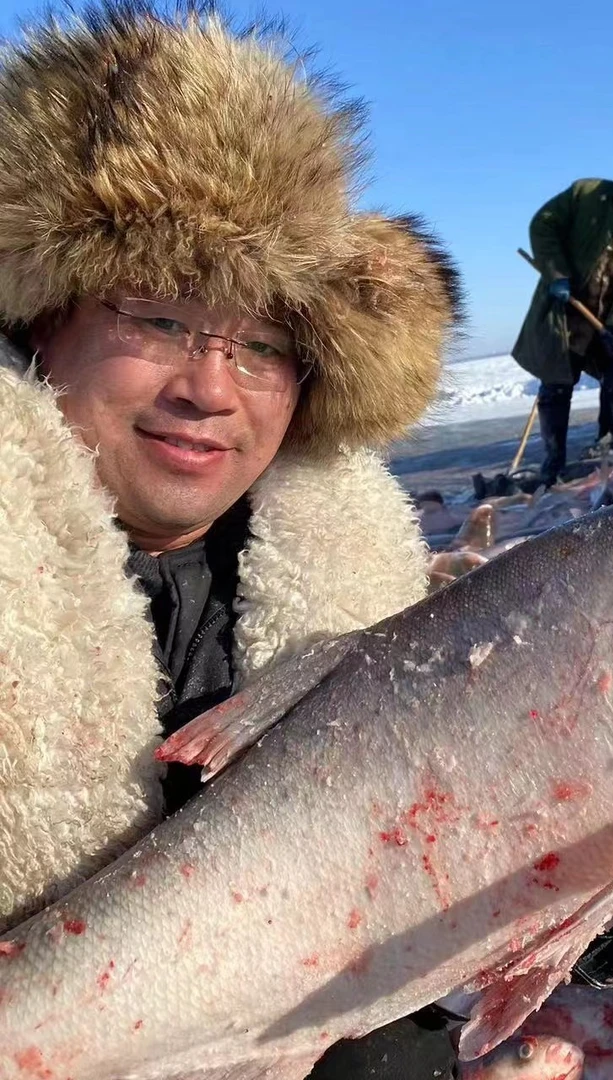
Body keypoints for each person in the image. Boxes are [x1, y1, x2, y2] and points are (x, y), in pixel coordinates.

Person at [0, 3, 468, 1075]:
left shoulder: (364, 592)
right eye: (158, 320)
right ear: (43, 321)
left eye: (261, 348)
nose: (209, 388)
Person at [512, 163, 613, 485]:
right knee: (556, 386)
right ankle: (553, 463)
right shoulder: (586, 195)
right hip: (568, 311)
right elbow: (544, 225)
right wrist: (556, 273)